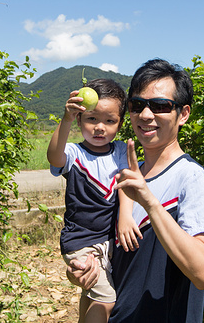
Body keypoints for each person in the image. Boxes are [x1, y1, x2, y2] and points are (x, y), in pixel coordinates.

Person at [67, 59, 204, 323]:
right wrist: (81, 271)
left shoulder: (192, 178)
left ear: (183, 114)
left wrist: (150, 202)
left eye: (161, 106)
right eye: (137, 105)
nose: (146, 115)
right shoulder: (125, 175)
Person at [47, 78, 141, 323]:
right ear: (79, 119)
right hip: (82, 242)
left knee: (91, 293)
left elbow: (125, 182)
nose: (100, 127)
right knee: (106, 299)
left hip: (107, 242)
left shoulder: (120, 150)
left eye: (110, 121)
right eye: (92, 119)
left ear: (119, 125)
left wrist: (125, 216)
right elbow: (55, 157)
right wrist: (65, 119)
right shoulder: (75, 154)